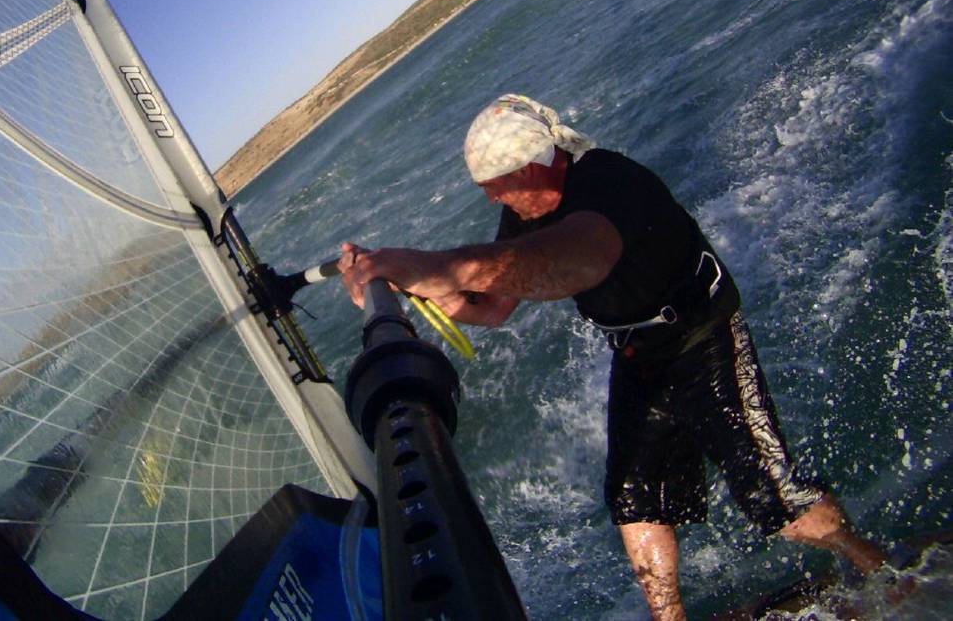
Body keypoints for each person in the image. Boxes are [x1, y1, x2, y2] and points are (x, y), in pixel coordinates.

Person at [339, 94, 888, 621]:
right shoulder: (528, 207)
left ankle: (882, 573)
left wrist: (440, 266)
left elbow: (573, 263)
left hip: (701, 340)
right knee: (635, 502)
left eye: (496, 187)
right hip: (638, 357)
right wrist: (412, 285)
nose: (491, 200)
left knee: (777, 501)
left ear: (531, 167)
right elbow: (495, 306)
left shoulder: (608, 183)